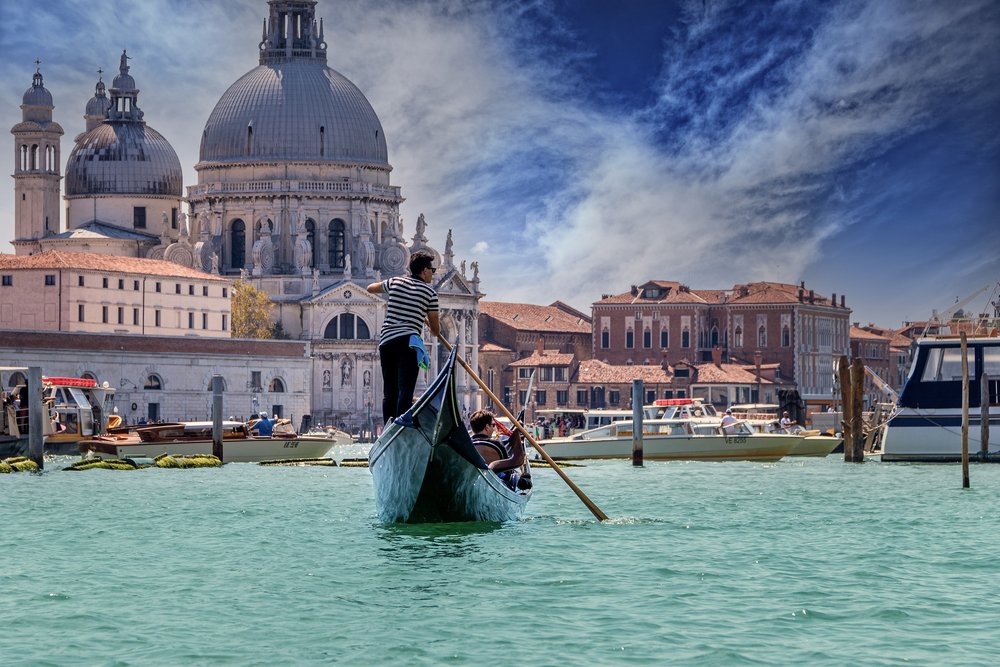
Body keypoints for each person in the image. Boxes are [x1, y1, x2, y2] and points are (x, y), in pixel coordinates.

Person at [367, 252, 440, 424]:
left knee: (389, 390)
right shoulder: (430, 294)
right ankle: (402, 427)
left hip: (387, 342)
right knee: (405, 389)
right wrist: (423, 314)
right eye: (432, 269)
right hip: (408, 342)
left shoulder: (395, 282)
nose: (433, 273)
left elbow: (371, 288)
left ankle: (388, 426)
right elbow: (436, 331)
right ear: (424, 270)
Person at [469, 409, 530, 490]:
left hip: (472, 482)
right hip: (497, 484)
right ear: (487, 427)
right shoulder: (496, 445)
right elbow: (508, 470)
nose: (494, 429)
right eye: (493, 425)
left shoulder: (467, 445)